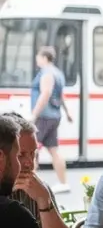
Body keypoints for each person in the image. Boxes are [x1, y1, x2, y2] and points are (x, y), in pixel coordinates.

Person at [29, 46, 71, 193]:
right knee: (54, 150)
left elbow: (45, 93)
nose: (37, 60)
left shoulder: (46, 73)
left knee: (32, 149)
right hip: (54, 116)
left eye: (38, 57)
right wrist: (67, 113)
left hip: (44, 117)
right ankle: (63, 182)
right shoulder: (58, 73)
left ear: (44, 58)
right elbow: (60, 96)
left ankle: (29, 183)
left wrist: (34, 114)